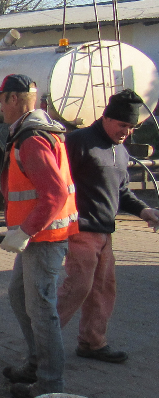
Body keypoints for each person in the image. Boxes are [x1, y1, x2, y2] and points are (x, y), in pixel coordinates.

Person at [0, 74, 79, 398]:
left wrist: (26, 230)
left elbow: (54, 194)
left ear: (14, 99)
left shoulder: (32, 139)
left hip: (44, 238)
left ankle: (49, 385)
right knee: (18, 295)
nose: (0, 107)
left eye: (1, 100)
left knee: (41, 308)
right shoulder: (35, 131)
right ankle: (35, 364)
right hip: (36, 236)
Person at [57, 89, 159, 363]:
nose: (126, 131)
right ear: (106, 118)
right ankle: (43, 343)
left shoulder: (120, 152)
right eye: (122, 124)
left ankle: (92, 343)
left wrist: (144, 210)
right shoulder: (78, 142)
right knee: (76, 287)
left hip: (105, 232)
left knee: (103, 288)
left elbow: (122, 191)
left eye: (131, 126)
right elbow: (57, 183)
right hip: (80, 229)